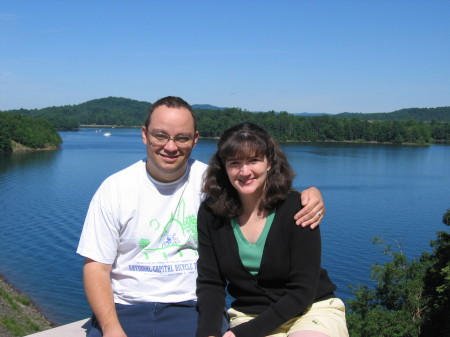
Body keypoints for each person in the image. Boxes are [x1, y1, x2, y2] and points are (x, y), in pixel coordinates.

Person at [77, 96, 326, 337]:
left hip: (192, 308)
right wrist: (111, 329)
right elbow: (96, 267)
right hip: (127, 308)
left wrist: (308, 195)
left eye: (182, 138)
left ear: (195, 139)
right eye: (160, 135)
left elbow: (258, 188)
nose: (171, 146)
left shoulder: (211, 182)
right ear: (145, 134)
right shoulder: (115, 189)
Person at [196, 122, 349, 337]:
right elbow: (210, 283)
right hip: (250, 314)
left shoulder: (298, 208)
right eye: (235, 162)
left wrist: (241, 334)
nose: (244, 171)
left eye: (254, 160)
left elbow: (302, 291)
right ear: (224, 166)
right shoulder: (211, 214)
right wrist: (209, 333)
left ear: (269, 163)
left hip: (311, 309)